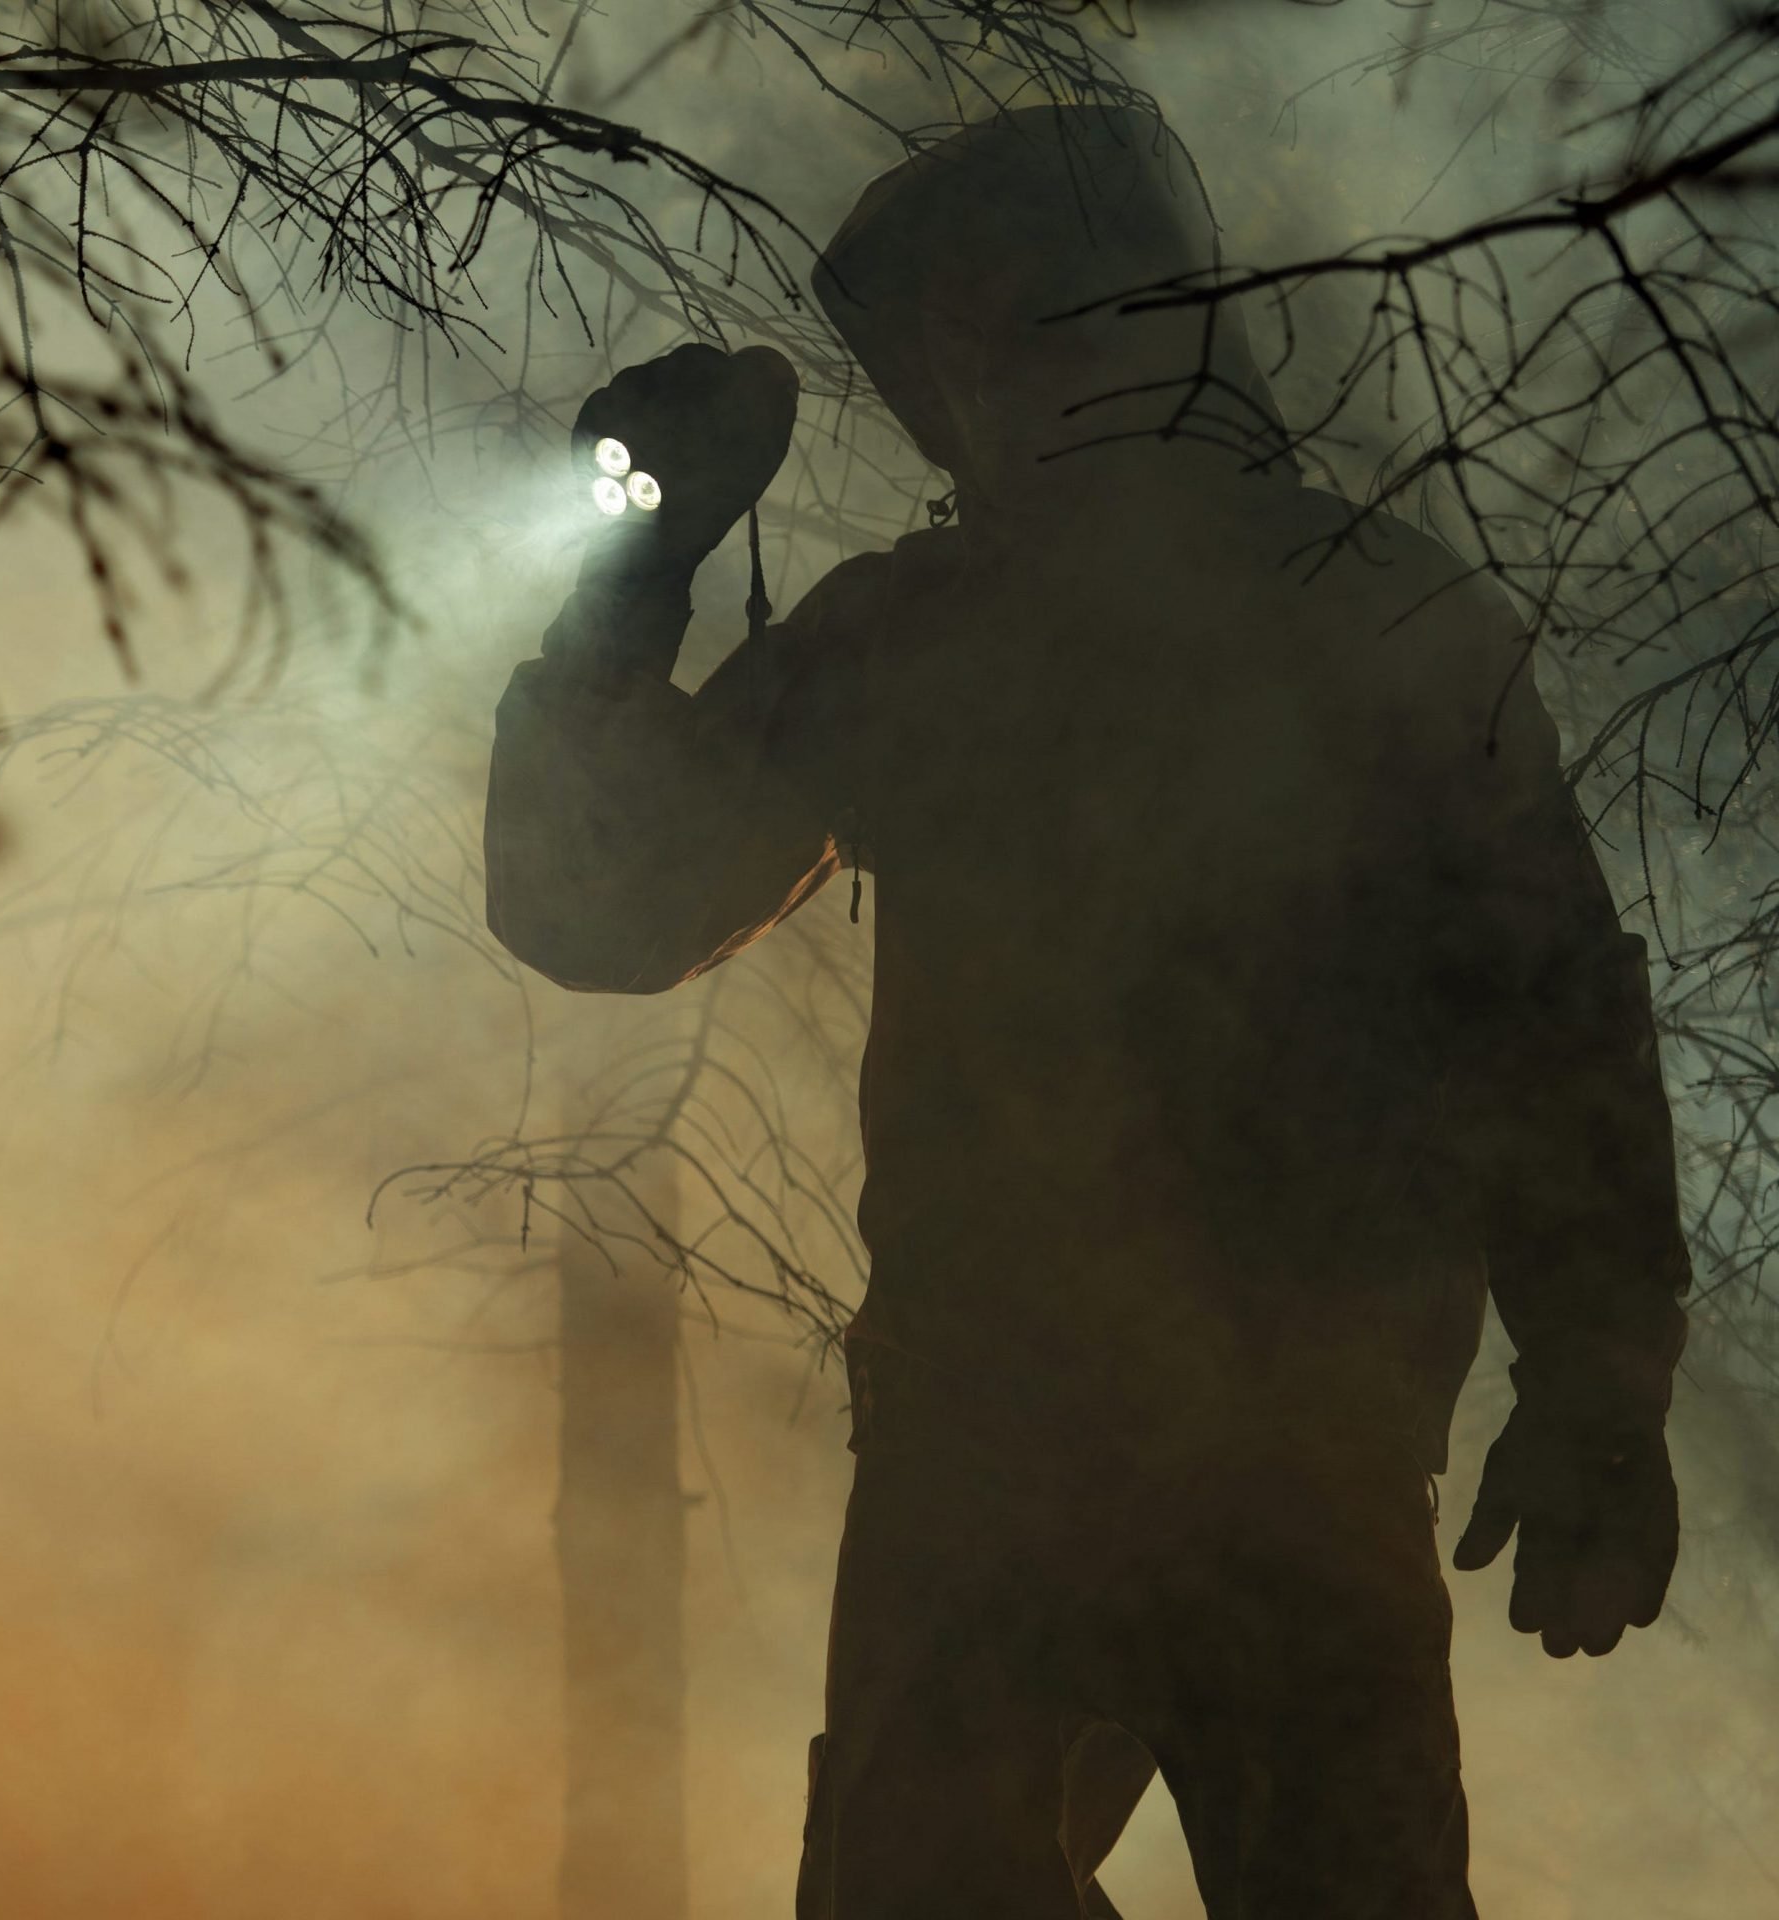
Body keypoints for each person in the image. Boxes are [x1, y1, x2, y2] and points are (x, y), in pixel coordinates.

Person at [482, 104, 1692, 1919]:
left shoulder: (944, 627)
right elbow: (1554, 1027)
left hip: (1014, 1464)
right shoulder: (1393, 614)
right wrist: (1597, 1389)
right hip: (1276, 1457)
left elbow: (599, 899)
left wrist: (637, 566)